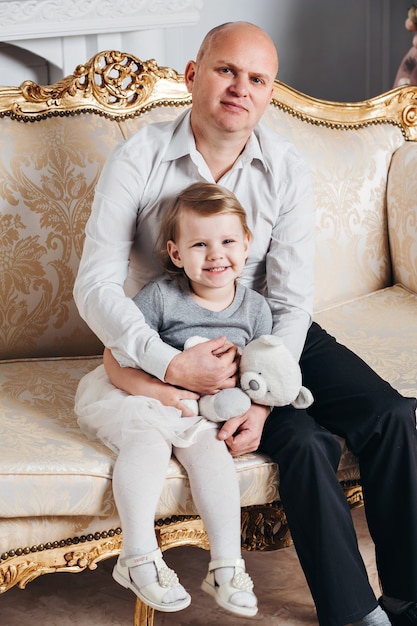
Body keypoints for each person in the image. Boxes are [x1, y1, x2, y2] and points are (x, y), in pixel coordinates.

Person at [73, 21, 417, 626]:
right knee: (306, 442)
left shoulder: (285, 166)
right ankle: (354, 614)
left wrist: (263, 397)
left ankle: (411, 599)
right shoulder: (141, 157)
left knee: (391, 414)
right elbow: (95, 284)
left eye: (257, 79)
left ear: (269, 93)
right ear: (192, 76)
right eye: (226, 70)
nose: (240, 88)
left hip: (273, 332)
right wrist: (168, 363)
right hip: (180, 335)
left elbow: (291, 299)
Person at [75, 182, 273, 617]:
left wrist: (256, 405)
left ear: (246, 245)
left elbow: (265, 373)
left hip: (203, 411)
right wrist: (162, 392)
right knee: (147, 442)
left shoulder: (255, 309)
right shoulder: (162, 296)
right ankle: (138, 556)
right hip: (140, 393)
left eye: (226, 242)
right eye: (199, 244)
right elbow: (114, 357)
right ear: (176, 253)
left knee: (212, 454)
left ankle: (225, 565)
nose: (216, 254)